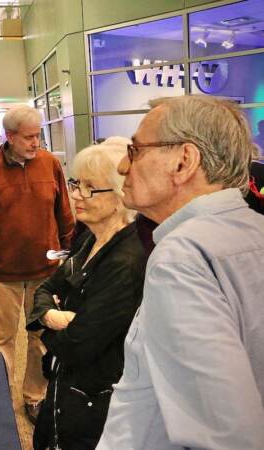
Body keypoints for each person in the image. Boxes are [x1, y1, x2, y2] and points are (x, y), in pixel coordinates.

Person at [97, 96, 264, 449]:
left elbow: (226, 435)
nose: (124, 167)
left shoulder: (181, 257)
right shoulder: (252, 231)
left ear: (183, 161)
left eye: (136, 150)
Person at [26, 138, 147, 450]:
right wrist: (51, 316)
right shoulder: (88, 240)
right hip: (65, 390)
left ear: (120, 195)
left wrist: (47, 327)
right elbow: (46, 289)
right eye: (76, 184)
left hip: (92, 402)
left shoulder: (126, 262)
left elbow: (77, 347)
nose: (76, 195)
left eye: (89, 188)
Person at [0, 105, 75, 423]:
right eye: (29, 137)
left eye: (38, 136)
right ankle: (0, 399)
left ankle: (34, 397)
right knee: (3, 340)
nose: (35, 143)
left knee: (41, 337)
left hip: (46, 272)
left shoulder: (50, 164)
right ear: (10, 136)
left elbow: (65, 216)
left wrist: (70, 260)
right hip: (3, 274)